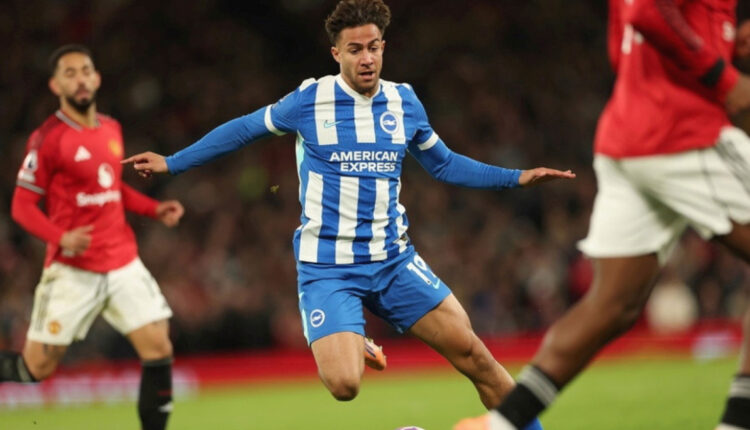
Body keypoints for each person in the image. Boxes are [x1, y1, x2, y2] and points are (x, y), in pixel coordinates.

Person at [123, 1, 573, 425]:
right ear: (336, 53)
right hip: (329, 266)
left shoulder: (404, 102)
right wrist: (173, 162)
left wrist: (516, 177)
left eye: (373, 47)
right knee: (344, 385)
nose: (366, 58)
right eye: (355, 49)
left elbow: (445, 164)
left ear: (384, 47)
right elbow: (243, 130)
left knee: (476, 356)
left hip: (393, 260)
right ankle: (351, 339)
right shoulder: (309, 100)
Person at [455, 1, 750, 429]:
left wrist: (714, 42)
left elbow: (623, 41)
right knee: (611, 304)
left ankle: (499, 424)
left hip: (627, 135)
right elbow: (646, 12)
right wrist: (723, 76)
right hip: (683, 131)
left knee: (612, 305)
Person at [4, 44, 184, 430]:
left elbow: (111, 186)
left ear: (97, 78)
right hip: (74, 269)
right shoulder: (48, 139)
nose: (80, 79)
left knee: (159, 347)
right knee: (35, 368)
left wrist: (154, 209)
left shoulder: (110, 128)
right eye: (69, 74)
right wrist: (61, 237)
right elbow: (21, 206)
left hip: (122, 263)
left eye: (85, 70)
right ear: (56, 85)